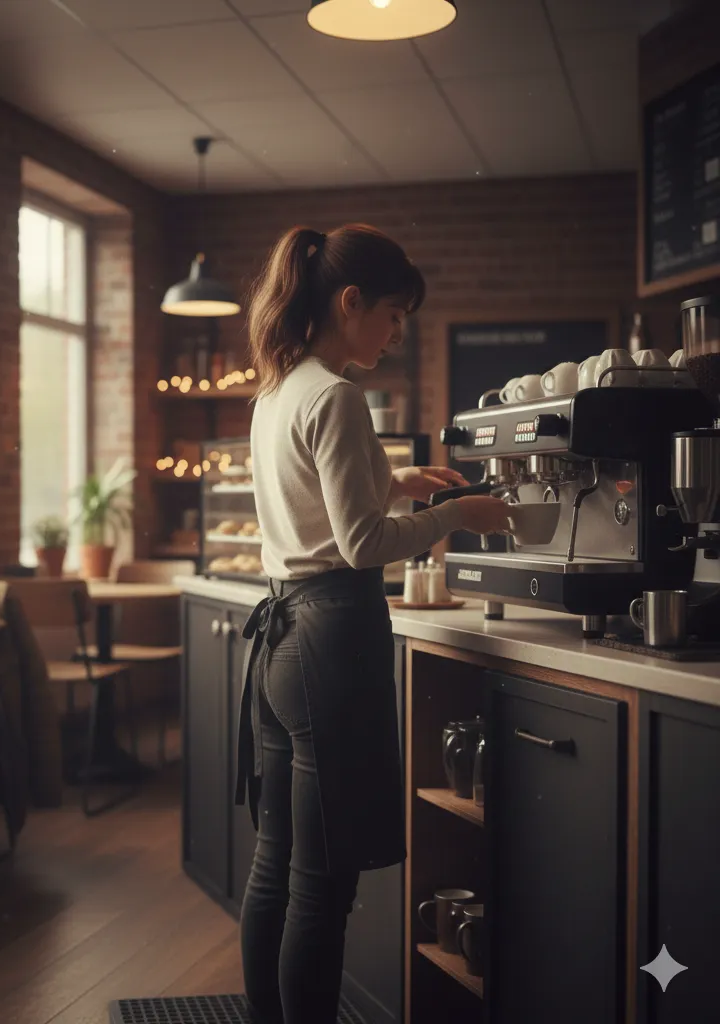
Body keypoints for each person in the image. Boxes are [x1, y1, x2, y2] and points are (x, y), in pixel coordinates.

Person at [235, 224, 510, 1024]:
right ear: (350, 302)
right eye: (393, 315)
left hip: (282, 643)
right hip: (331, 642)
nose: (396, 334)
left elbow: (317, 502)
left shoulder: (280, 390)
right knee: (322, 888)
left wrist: (396, 481)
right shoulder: (339, 395)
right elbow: (358, 546)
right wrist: (459, 510)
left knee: (274, 866)